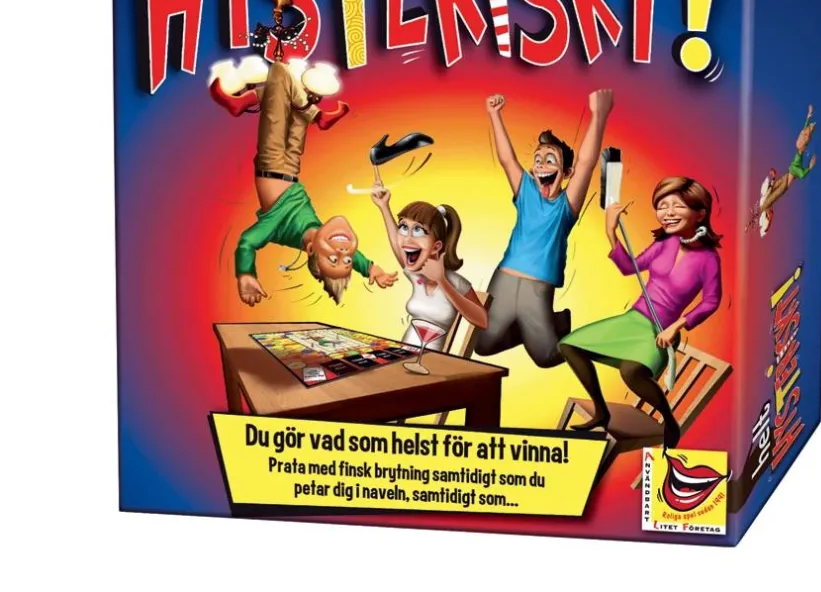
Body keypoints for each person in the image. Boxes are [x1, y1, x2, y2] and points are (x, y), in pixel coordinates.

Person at [209, 58, 398, 305]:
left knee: (279, 73)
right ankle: (315, 115)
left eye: (333, 259)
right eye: (346, 260)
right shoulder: (319, 232)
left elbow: (247, 242)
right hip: (291, 166)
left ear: (310, 250)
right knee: (297, 108)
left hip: (271, 161)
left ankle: (252, 104)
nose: (343, 252)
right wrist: (372, 269)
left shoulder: (277, 229)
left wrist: (246, 274)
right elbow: (354, 256)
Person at [559, 177, 722, 448]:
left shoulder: (708, 259)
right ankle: (601, 411)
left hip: (662, 330)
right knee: (569, 346)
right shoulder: (665, 244)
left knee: (631, 371)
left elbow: (711, 301)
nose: (667, 213)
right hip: (634, 319)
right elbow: (629, 267)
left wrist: (676, 327)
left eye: (677, 206)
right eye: (662, 206)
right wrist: (611, 232)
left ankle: (668, 420)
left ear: (700, 213)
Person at [474, 89, 614, 368]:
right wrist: (494, 115)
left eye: (550, 160)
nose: (541, 165)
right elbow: (507, 159)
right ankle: (531, 328)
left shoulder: (565, 207)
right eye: (538, 160)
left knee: (546, 357)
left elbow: (586, 164)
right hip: (503, 279)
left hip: (538, 288)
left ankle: (558, 323)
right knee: (482, 345)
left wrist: (598, 115)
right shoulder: (525, 191)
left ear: (566, 173)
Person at [370, 187, 488, 349]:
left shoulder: (456, 282)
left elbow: (483, 321)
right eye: (403, 227)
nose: (407, 238)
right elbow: (398, 245)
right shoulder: (417, 274)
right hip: (403, 354)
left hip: (432, 360)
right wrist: (384, 206)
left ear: (436, 246)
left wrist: (442, 281)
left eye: (418, 230)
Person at [749, 105, 817, 235]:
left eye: (803, 137)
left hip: (784, 185)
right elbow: (804, 133)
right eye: (801, 135)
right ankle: (759, 214)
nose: (800, 136)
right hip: (785, 178)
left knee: (770, 198)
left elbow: (801, 174)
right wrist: (808, 116)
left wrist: (809, 167)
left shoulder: (797, 165)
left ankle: (757, 216)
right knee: (769, 193)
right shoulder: (798, 155)